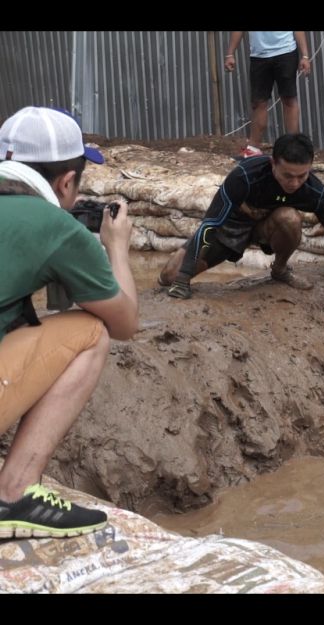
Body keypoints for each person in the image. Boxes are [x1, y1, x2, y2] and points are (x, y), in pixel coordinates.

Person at [0, 106, 139, 538]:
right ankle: (13, 494)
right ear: (66, 181)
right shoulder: (56, 226)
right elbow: (125, 324)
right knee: (90, 333)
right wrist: (116, 248)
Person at [159, 133, 324, 300]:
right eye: (287, 175)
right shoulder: (244, 176)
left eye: (302, 176)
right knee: (169, 276)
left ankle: (280, 269)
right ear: (273, 163)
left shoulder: (314, 191)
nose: (294, 183)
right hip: (232, 228)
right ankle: (178, 267)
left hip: (269, 228)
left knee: (290, 218)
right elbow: (210, 225)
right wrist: (183, 279)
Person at [225, 31, 311, 159]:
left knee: (289, 99)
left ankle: (294, 148)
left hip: (286, 52)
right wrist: (230, 54)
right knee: (258, 102)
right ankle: (253, 148)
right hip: (259, 56)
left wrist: (305, 56)